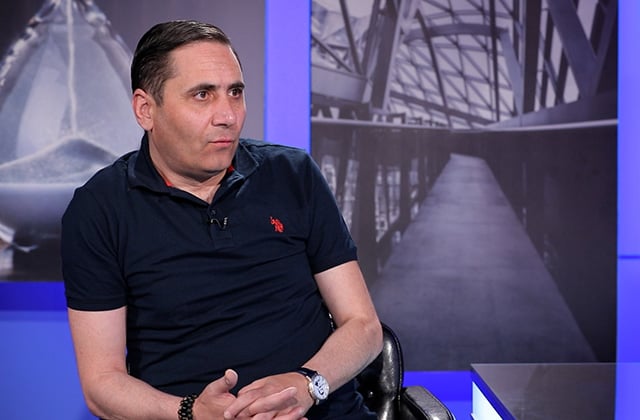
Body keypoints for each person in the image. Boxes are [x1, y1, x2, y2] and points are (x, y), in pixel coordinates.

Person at [61, 20, 382, 420]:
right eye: (202, 95)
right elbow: (101, 384)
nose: (228, 115)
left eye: (235, 92)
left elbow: (363, 326)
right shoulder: (99, 209)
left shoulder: (293, 174)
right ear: (146, 110)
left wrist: (307, 384)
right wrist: (191, 411)